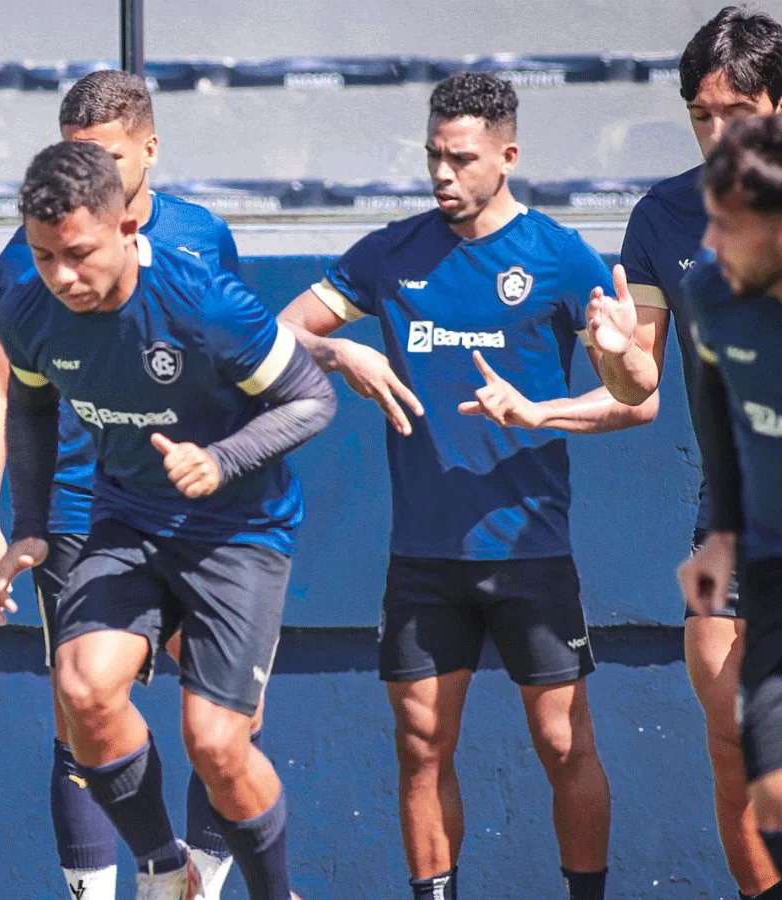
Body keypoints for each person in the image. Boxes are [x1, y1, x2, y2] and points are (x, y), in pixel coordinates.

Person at [276, 72, 655, 900]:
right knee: (420, 743)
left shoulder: (556, 255)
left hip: (529, 547)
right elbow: (272, 334)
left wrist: (550, 405)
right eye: (432, 157)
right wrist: (345, 352)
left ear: (508, 156)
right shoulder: (390, 253)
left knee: (563, 743)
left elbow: (640, 397)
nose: (442, 175)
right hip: (423, 553)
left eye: (461, 159)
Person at [0, 140, 334, 900]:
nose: (62, 276)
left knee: (216, 743)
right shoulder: (28, 310)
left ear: (125, 228)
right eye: (45, 257)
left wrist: (222, 459)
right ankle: (162, 868)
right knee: (81, 689)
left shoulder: (202, 303)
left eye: (77, 253)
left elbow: (313, 399)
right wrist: (33, 522)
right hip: (130, 520)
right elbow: (31, 406)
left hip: (240, 533)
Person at [0, 68, 245, 900]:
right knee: (78, 709)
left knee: (217, 718)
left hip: (196, 515)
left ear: (150, 150)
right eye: (76, 159)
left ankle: (200, 884)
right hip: (80, 511)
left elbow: (244, 379)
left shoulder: (201, 237)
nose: (93, 181)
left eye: (112, 159)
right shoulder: (32, 250)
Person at [586, 10, 782, 898]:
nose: (716, 133)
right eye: (700, 115)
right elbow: (640, 385)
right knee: (731, 731)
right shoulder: (664, 215)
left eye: (734, 111)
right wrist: (620, 358)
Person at [682, 111, 782, 882]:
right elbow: (715, 407)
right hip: (770, 563)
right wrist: (719, 533)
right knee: (772, 789)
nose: (710, 243)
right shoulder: (710, 292)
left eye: (727, 225)